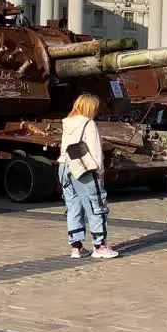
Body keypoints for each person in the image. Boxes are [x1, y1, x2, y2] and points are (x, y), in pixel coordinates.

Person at [59, 93, 119, 259]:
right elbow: (95, 151)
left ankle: (76, 247)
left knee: (73, 206)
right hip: (84, 169)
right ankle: (100, 246)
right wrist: (99, 173)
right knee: (96, 205)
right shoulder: (89, 124)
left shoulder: (67, 122)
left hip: (64, 166)